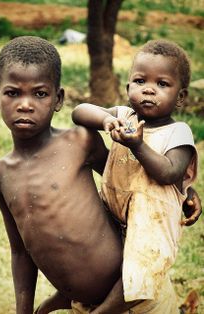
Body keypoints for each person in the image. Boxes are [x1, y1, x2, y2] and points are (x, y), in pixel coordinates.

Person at [0, 36, 201, 314]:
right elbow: (20, 252)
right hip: (81, 304)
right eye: (13, 92)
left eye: (39, 93)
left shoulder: (80, 143)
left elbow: (134, 177)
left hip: (138, 299)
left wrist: (181, 190)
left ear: (58, 99)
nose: (25, 104)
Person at [72, 39, 199, 313]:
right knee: (89, 256)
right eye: (140, 81)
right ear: (128, 86)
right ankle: (69, 294)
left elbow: (169, 173)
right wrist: (105, 120)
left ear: (180, 96)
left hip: (151, 224)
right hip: (117, 213)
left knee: (139, 269)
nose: (149, 89)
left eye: (163, 84)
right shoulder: (124, 116)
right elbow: (78, 112)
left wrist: (137, 145)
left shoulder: (178, 133)